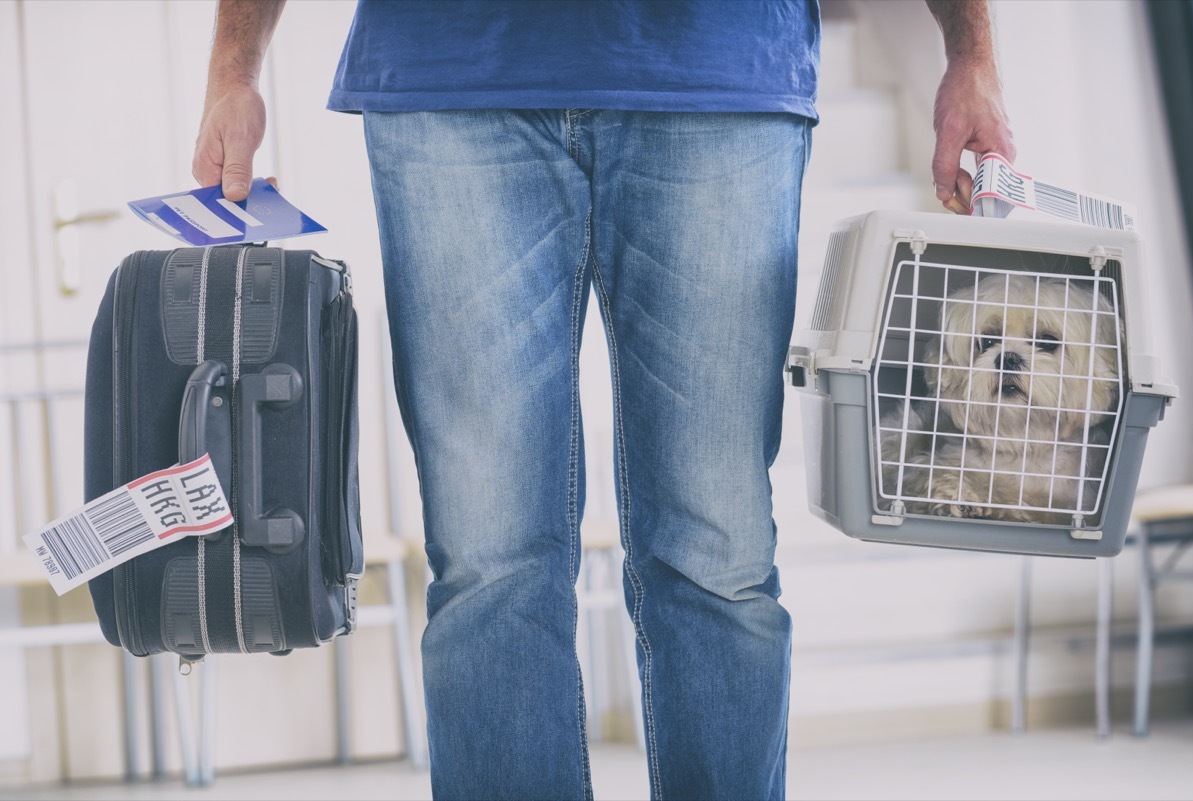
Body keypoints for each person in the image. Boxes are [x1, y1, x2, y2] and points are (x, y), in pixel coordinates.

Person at [193, 1, 1014, 798]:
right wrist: (236, 67)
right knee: (487, 563)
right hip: (450, 65)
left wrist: (971, 51)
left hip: (717, 64)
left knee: (716, 553)